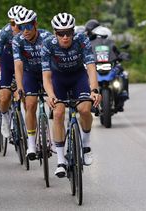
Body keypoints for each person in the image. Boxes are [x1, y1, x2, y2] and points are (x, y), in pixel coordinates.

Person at [41, 13, 101, 178]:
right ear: (55, 33)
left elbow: (90, 66)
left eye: (68, 32)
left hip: (78, 77)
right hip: (58, 80)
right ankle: (61, 161)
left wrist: (94, 89)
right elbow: (46, 76)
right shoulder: (48, 45)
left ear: (73, 31)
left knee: (84, 108)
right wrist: (51, 95)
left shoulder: (81, 40)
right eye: (61, 33)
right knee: (58, 112)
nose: (65, 37)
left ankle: (86, 145)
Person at [12, 8, 52, 160]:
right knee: (30, 104)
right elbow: (18, 64)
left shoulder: (47, 37)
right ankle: (31, 144)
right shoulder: (17, 40)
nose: (25, 31)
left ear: (35, 24)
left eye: (28, 26)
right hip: (30, 73)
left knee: (54, 101)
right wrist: (20, 86)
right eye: (21, 27)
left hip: (47, 72)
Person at [86, 21, 129, 110]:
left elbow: (116, 52)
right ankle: (87, 98)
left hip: (110, 65)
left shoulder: (110, 43)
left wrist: (121, 55)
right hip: (97, 65)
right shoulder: (90, 44)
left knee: (123, 74)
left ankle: (122, 93)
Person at [0, 5, 25, 138]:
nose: (15, 27)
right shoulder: (4, 34)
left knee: (27, 95)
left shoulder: (29, 32)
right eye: (12, 23)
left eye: (18, 24)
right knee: (5, 96)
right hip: (6, 64)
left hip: (24, 64)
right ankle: (4, 116)